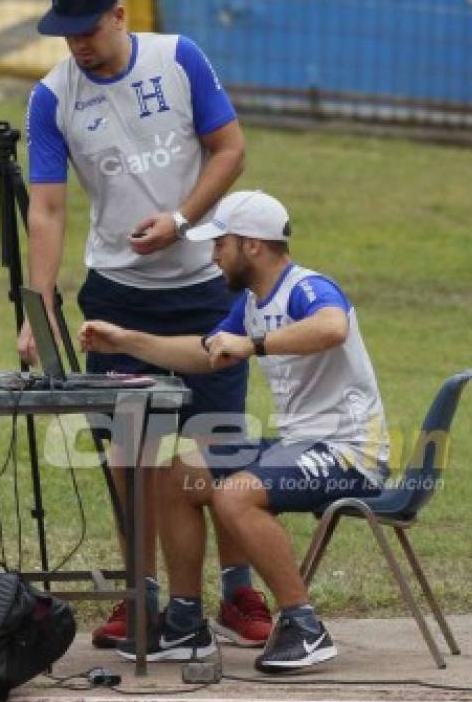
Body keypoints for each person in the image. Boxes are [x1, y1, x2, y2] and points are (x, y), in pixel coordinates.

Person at [19, 0, 271, 653]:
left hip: (203, 290)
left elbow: (231, 150)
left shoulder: (179, 58)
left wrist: (183, 222)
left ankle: (237, 588)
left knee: (218, 446)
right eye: (64, 31)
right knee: (130, 458)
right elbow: (45, 208)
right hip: (116, 297)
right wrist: (36, 307)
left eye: (88, 28)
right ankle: (143, 596)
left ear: (120, 15)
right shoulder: (50, 97)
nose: (77, 43)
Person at [80, 190, 391, 672]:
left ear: (251, 246)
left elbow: (331, 328)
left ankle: (305, 627)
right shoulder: (251, 302)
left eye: (219, 244)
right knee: (176, 474)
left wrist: (253, 345)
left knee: (234, 496)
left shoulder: (308, 288)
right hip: (301, 446)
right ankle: (185, 624)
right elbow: (203, 352)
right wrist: (127, 340)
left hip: (350, 452)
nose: (212, 256)